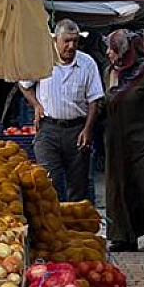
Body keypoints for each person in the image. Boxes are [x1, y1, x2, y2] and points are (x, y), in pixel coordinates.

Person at [100, 29, 144, 252]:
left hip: (143, 141)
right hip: (115, 141)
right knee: (117, 188)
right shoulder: (108, 72)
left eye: (111, 49)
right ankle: (124, 237)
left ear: (122, 50)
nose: (108, 53)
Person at [20, 20, 104, 201]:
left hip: (77, 130)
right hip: (48, 129)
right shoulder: (42, 60)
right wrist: (36, 105)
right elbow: (24, 85)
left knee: (78, 186)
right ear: (55, 40)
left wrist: (88, 129)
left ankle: (75, 226)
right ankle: (54, 226)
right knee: (49, 184)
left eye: (75, 41)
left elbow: (94, 100)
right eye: (66, 41)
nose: (71, 46)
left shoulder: (87, 63)